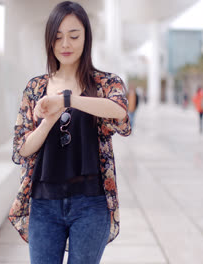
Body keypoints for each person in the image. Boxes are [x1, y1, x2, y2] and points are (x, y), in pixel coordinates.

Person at [8, 2, 131, 264]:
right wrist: (47, 121)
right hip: (44, 204)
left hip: (91, 203)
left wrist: (68, 100)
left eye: (74, 36)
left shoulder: (105, 83)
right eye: (58, 36)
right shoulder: (36, 87)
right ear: (49, 41)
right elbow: (22, 149)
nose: (66, 44)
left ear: (86, 37)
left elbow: (119, 112)